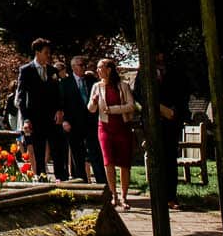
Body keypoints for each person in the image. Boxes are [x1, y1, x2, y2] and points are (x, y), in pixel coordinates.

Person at [137, 49, 193, 211]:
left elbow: (183, 93)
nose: (160, 57)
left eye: (161, 54)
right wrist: (158, 108)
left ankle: (171, 196)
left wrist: (173, 111)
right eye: (157, 54)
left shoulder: (175, 72)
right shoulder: (144, 73)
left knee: (169, 159)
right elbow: (139, 96)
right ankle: (157, 195)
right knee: (155, 159)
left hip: (171, 120)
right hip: (152, 121)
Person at [91, 57, 137, 209]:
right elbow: (90, 109)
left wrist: (113, 109)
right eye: (97, 68)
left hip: (122, 127)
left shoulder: (122, 86)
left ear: (109, 69)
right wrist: (94, 101)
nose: (98, 70)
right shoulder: (96, 86)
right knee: (108, 162)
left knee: (124, 164)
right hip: (104, 127)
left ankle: (124, 196)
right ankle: (113, 195)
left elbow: (131, 106)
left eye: (100, 67)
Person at [16, 39, 63, 180]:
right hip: (35, 118)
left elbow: (58, 94)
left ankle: (62, 180)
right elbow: (21, 97)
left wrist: (60, 110)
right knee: (39, 151)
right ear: (37, 52)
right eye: (46, 52)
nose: (48, 55)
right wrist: (26, 119)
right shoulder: (26, 71)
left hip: (52, 118)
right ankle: (42, 179)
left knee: (57, 150)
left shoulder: (53, 71)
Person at [62, 55, 104, 184]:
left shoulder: (91, 81)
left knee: (95, 153)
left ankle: (102, 183)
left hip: (91, 122)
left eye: (84, 65)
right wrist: (65, 120)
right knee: (78, 155)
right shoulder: (65, 83)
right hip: (74, 123)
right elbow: (62, 103)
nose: (83, 67)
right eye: (80, 65)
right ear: (73, 67)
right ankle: (82, 182)